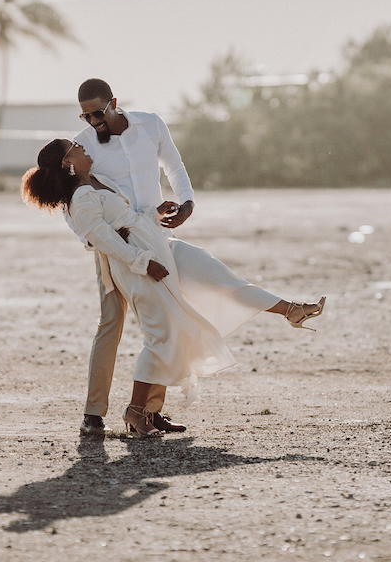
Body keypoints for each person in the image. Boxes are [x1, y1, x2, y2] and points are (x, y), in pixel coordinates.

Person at [66, 78, 321, 437]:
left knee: (173, 316)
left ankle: (149, 411)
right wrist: (98, 243)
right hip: (118, 249)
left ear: (114, 103)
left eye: (98, 113)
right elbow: (76, 204)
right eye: (86, 116)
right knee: (112, 325)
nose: (93, 122)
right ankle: (94, 414)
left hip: (160, 237)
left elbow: (175, 166)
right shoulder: (83, 147)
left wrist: (187, 202)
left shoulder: (150, 124)